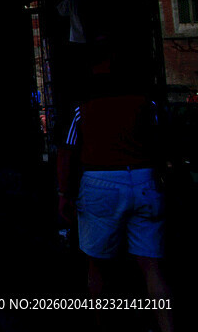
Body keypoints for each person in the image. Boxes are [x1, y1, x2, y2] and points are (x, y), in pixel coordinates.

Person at [57, 44, 175, 332]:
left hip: (101, 180)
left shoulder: (82, 101)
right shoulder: (143, 98)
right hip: (144, 179)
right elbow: (159, 140)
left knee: (97, 264)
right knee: (151, 265)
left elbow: (67, 150)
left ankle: (103, 325)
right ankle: (165, 326)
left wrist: (63, 194)